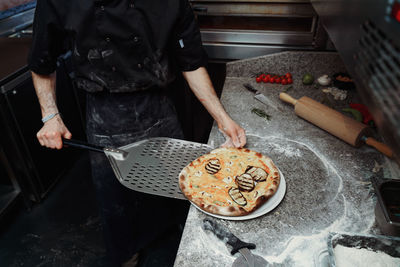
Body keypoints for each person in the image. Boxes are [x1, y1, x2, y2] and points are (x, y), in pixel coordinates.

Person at [29, 0, 246, 266]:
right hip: (105, 112)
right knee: (117, 202)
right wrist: (50, 116)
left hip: (160, 105)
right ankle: (127, 255)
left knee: (179, 187)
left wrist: (222, 119)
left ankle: (184, 243)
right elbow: (42, 59)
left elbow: (191, 61)